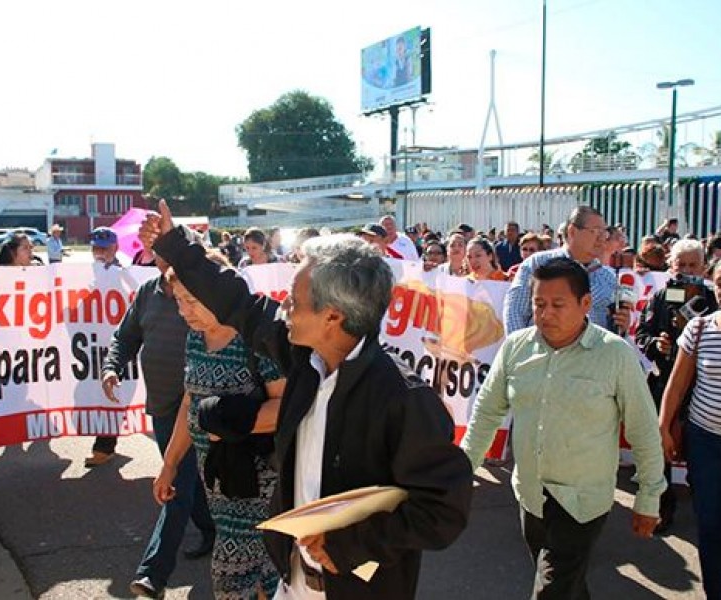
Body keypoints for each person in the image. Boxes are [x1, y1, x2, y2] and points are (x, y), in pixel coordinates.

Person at [143, 200, 473, 599]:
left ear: (333, 316)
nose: (284, 309)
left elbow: (443, 511)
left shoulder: (404, 401)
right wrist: (176, 245)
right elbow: (239, 305)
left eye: (294, 302)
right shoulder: (304, 362)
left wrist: (351, 543)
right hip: (293, 582)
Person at [461, 257, 666, 599]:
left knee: (551, 589)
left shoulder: (614, 355)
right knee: (566, 584)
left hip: (582, 501)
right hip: (530, 494)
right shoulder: (516, 348)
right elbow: (486, 412)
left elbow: (643, 429)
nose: (545, 314)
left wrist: (649, 498)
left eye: (558, 304)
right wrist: (461, 471)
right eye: (539, 304)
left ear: (585, 304)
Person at [153, 265, 286, 599]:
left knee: (231, 576)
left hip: (258, 481)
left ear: (219, 296)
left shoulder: (255, 340)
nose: (184, 311)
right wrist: (170, 463)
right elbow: (191, 400)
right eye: (179, 301)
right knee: (268, 570)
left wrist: (228, 419)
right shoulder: (196, 337)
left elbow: (287, 407)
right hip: (216, 477)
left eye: (192, 301)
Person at [99, 253, 216, 598]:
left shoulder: (202, 295)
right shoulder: (148, 292)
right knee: (187, 480)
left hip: (196, 408)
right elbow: (126, 336)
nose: (164, 261)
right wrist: (112, 368)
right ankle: (213, 529)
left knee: (175, 485)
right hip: (164, 410)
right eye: (158, 254)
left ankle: (153, 575)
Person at [659, 253, 721, 600]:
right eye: (719, 283)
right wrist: (664, 426)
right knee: (711, 525)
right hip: (706, 442)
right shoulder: (700, 328)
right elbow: (678, 382)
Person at [635, 239, 717, 533]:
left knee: (702, 455)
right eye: (680, 265)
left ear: (704, 267)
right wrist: (658, 344)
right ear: (670, 266)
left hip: (703, 388)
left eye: (692, 265)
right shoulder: (659, 297)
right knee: (660, 451)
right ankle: (663, 508)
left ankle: (708, 511)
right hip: (664, 383)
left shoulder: (714, 298)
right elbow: (642, 336)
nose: (685, 271)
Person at [504, 206, 631, 336]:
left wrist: (622, 327)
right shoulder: (538, 264)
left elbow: (614, 333)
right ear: (572, 231)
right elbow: (515, 313)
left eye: (604, 233)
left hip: (593, 354)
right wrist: (521, 351)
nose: (601, 238)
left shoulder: (608, 279)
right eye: (595, 231)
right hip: (543, 353)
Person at [86, 226, 123, 467]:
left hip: (118, 345)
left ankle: (104, 446)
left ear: (115, 248)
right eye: (96, 248)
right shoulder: (85, 275)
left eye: (105, 248)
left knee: (113, 393)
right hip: (91, 345)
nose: (100, 253)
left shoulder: (124, 273)